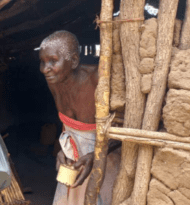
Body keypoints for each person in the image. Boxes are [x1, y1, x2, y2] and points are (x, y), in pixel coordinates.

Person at [39, 30, 121, 205]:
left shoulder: (98, 80)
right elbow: (67, 125)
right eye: (42, 62)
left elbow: (127, 130)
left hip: (106, 160)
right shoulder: (54, 81)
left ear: (74, 61)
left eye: (53, 61)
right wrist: (63, 150)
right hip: (73, 163)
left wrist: (96, 155)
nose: (45, 69)